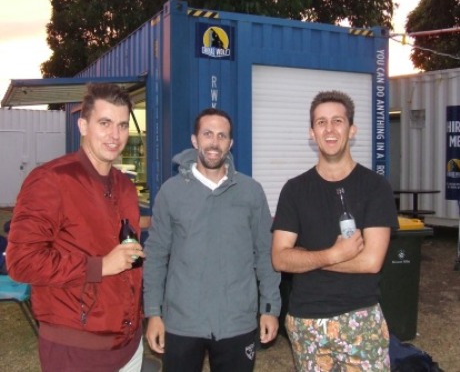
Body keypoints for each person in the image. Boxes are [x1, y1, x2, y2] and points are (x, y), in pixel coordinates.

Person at [6, 83, 146, 372]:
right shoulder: (51, 180)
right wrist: (99, 266)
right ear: (83, 125)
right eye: (105, 123)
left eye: (121, 125)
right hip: (77, 350)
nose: (115, 135)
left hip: (130, 346)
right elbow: (21, 263)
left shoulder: (125, 186)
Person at [143, 107, 281, 372]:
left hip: (236, 323)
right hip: (181, 323)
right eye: (207, 134)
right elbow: (157, 256)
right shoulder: (171, 193)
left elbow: (265, 253)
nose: (214, 142)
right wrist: (153, 313)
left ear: (230, 143)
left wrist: (270, 307)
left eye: (222, 135)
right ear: (195, 140)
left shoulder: (251, 192)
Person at [271, 90, 399, 371]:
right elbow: (280, 259)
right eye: (321, 122)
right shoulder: (294, 190)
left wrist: (306, 258)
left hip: (361, 318)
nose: (329, 129)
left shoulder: (376, 188)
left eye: (337, 121)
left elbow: (370, 262)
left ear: (352, 130)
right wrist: (334, 253)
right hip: (307, 321)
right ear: (311, 133)